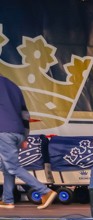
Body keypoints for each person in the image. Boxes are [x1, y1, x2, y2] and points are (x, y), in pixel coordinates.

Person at [0, 74, 58, 210]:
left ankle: (45, 192)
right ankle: (8, 200)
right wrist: (25, 136)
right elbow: (25, 113)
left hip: (3, 131)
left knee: (12, 166)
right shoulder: (13, 85)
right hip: (17, 131)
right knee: (7, 166)